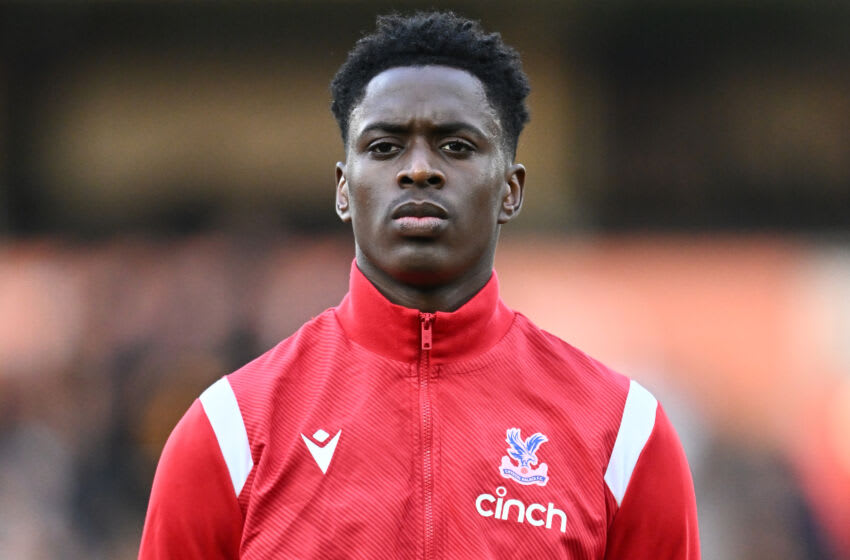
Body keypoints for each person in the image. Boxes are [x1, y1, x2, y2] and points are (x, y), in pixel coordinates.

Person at [139, 11, 699, 559]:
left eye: (456, 146)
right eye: (385, 147)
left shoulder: (623, 435)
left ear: (511, 190)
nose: (419, 170)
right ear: (342, 189)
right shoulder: (231, 432)